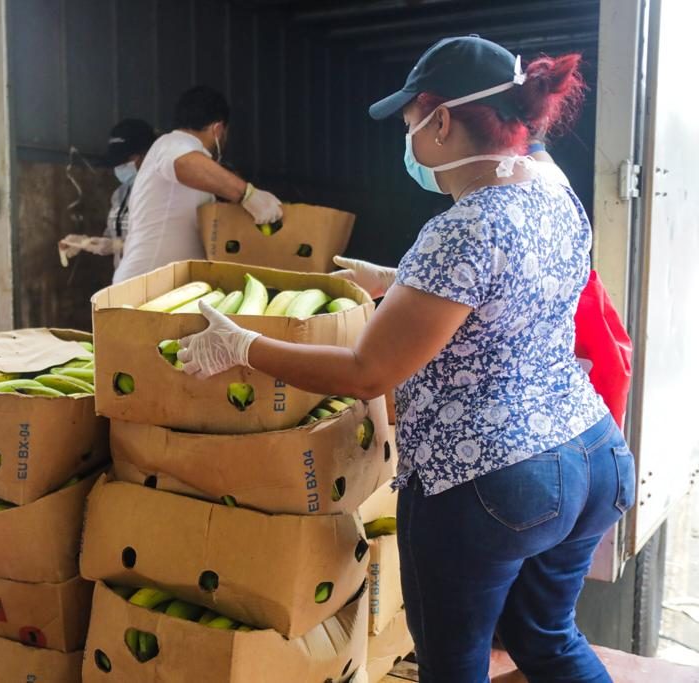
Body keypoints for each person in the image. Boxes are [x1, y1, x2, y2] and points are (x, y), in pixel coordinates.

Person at [176, 36, 633, 683]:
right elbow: (512, 283)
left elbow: (367, 372)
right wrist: (402, 280)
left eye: (409, 122)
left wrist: (243, 346)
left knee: (453, 667)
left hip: (491, 481)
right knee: (549, 638)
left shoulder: (461, 227)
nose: (408, 138)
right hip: (591, 454)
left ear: (440, 119)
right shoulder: (551, 188)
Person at [112, 85, 283, 283]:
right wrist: (248, 195)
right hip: (143, 288)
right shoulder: (172, 143)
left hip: (162, 289)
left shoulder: (192, 162)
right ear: (218, 129)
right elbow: (184, 163)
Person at [58, 118, 157, 271]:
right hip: (123, 279)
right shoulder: (120, 194)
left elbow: (161, 243)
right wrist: (85, 243)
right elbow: (111, 238)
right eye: (116, 163)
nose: (119, 167)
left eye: (126, 160)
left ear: (147, 155)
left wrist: (117, 246)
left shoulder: (161, 194)